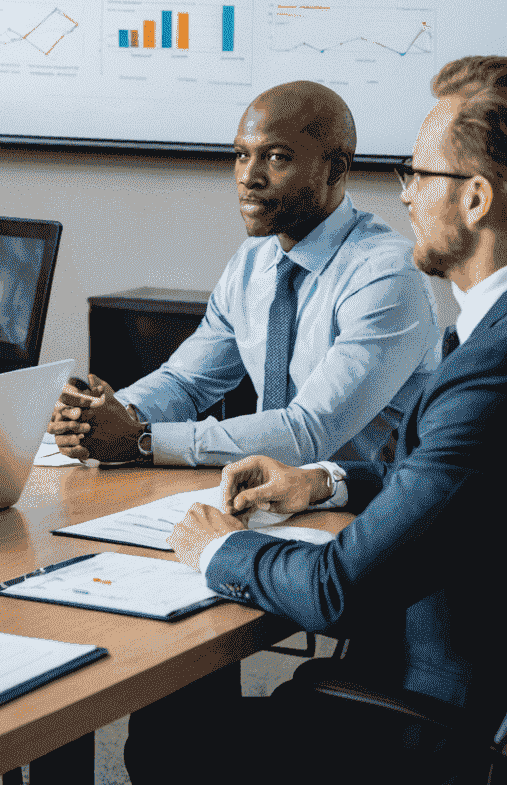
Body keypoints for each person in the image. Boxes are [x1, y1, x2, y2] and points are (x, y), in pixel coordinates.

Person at [128, 57, 507, 785]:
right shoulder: (486, 337)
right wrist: (323, 483)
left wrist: (218, 551)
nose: (404, 197)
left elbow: (337, 590)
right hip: (439, 674)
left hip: (431, 722)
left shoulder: (489, 371)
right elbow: (444, 480)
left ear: (477, 199)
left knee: (171, 720)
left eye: (419, 176)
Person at [50, 80, 437, 467]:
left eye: (276, 158)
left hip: (358, 507)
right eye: (241, 154)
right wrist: (104, 414)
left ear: (334, 169)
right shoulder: (254, 260)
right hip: (268, 497)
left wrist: (143, 440)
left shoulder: (387, 275)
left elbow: (307, 432)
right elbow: (187, 382)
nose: (248, 177)